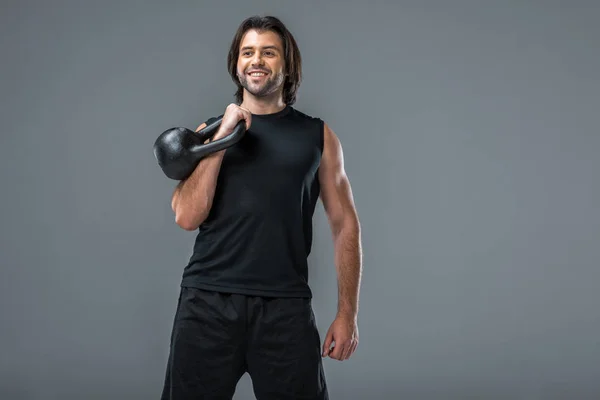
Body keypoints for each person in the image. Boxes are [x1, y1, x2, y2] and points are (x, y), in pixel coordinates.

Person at [161, 15, 363, 400]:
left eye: (268, 52)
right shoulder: (211, 129)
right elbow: (186, 216)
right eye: (247, 52)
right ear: (237, 65)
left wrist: (347, 313)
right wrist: (223, 137)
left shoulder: (318, 137)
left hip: (284, 307)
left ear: (287, 65)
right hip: (207, 303)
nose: (256, 60)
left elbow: (344, 225)